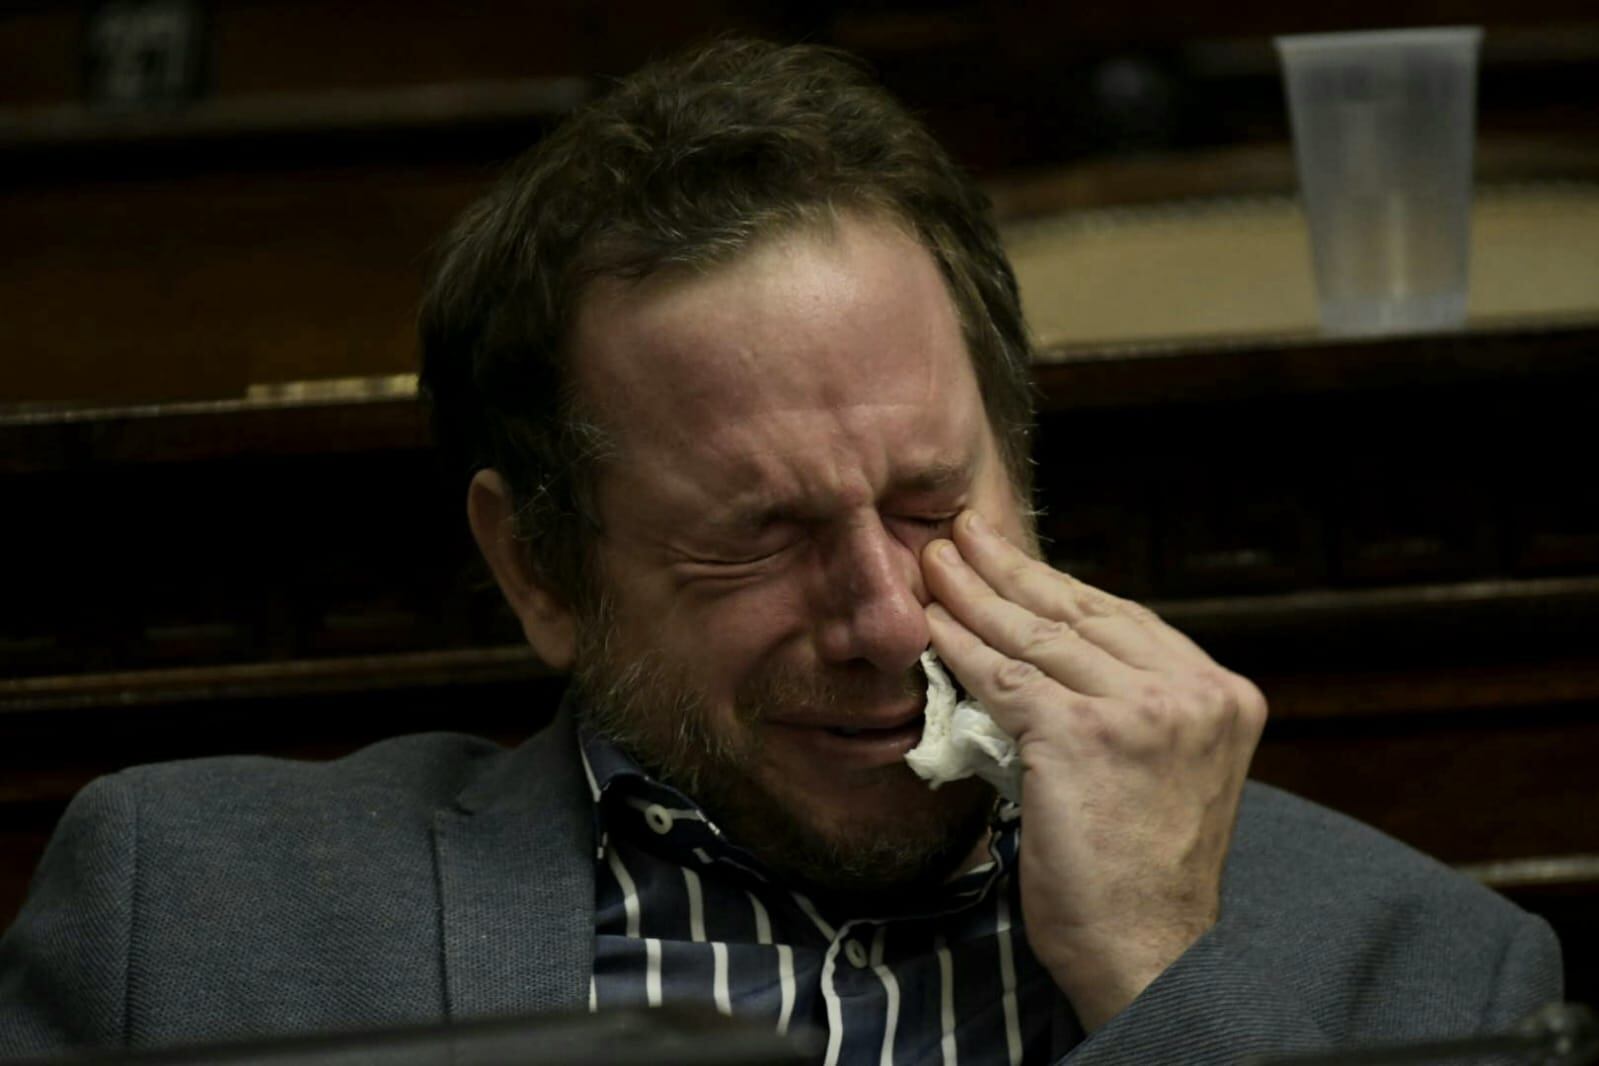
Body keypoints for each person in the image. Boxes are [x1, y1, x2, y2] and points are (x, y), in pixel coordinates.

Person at [0, 38, 1561, 1065]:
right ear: (538, 563)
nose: (886, 617)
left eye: (934, 504)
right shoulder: (193, 915)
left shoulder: (1417, 971)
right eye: (761, 538)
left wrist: (1163, 971)